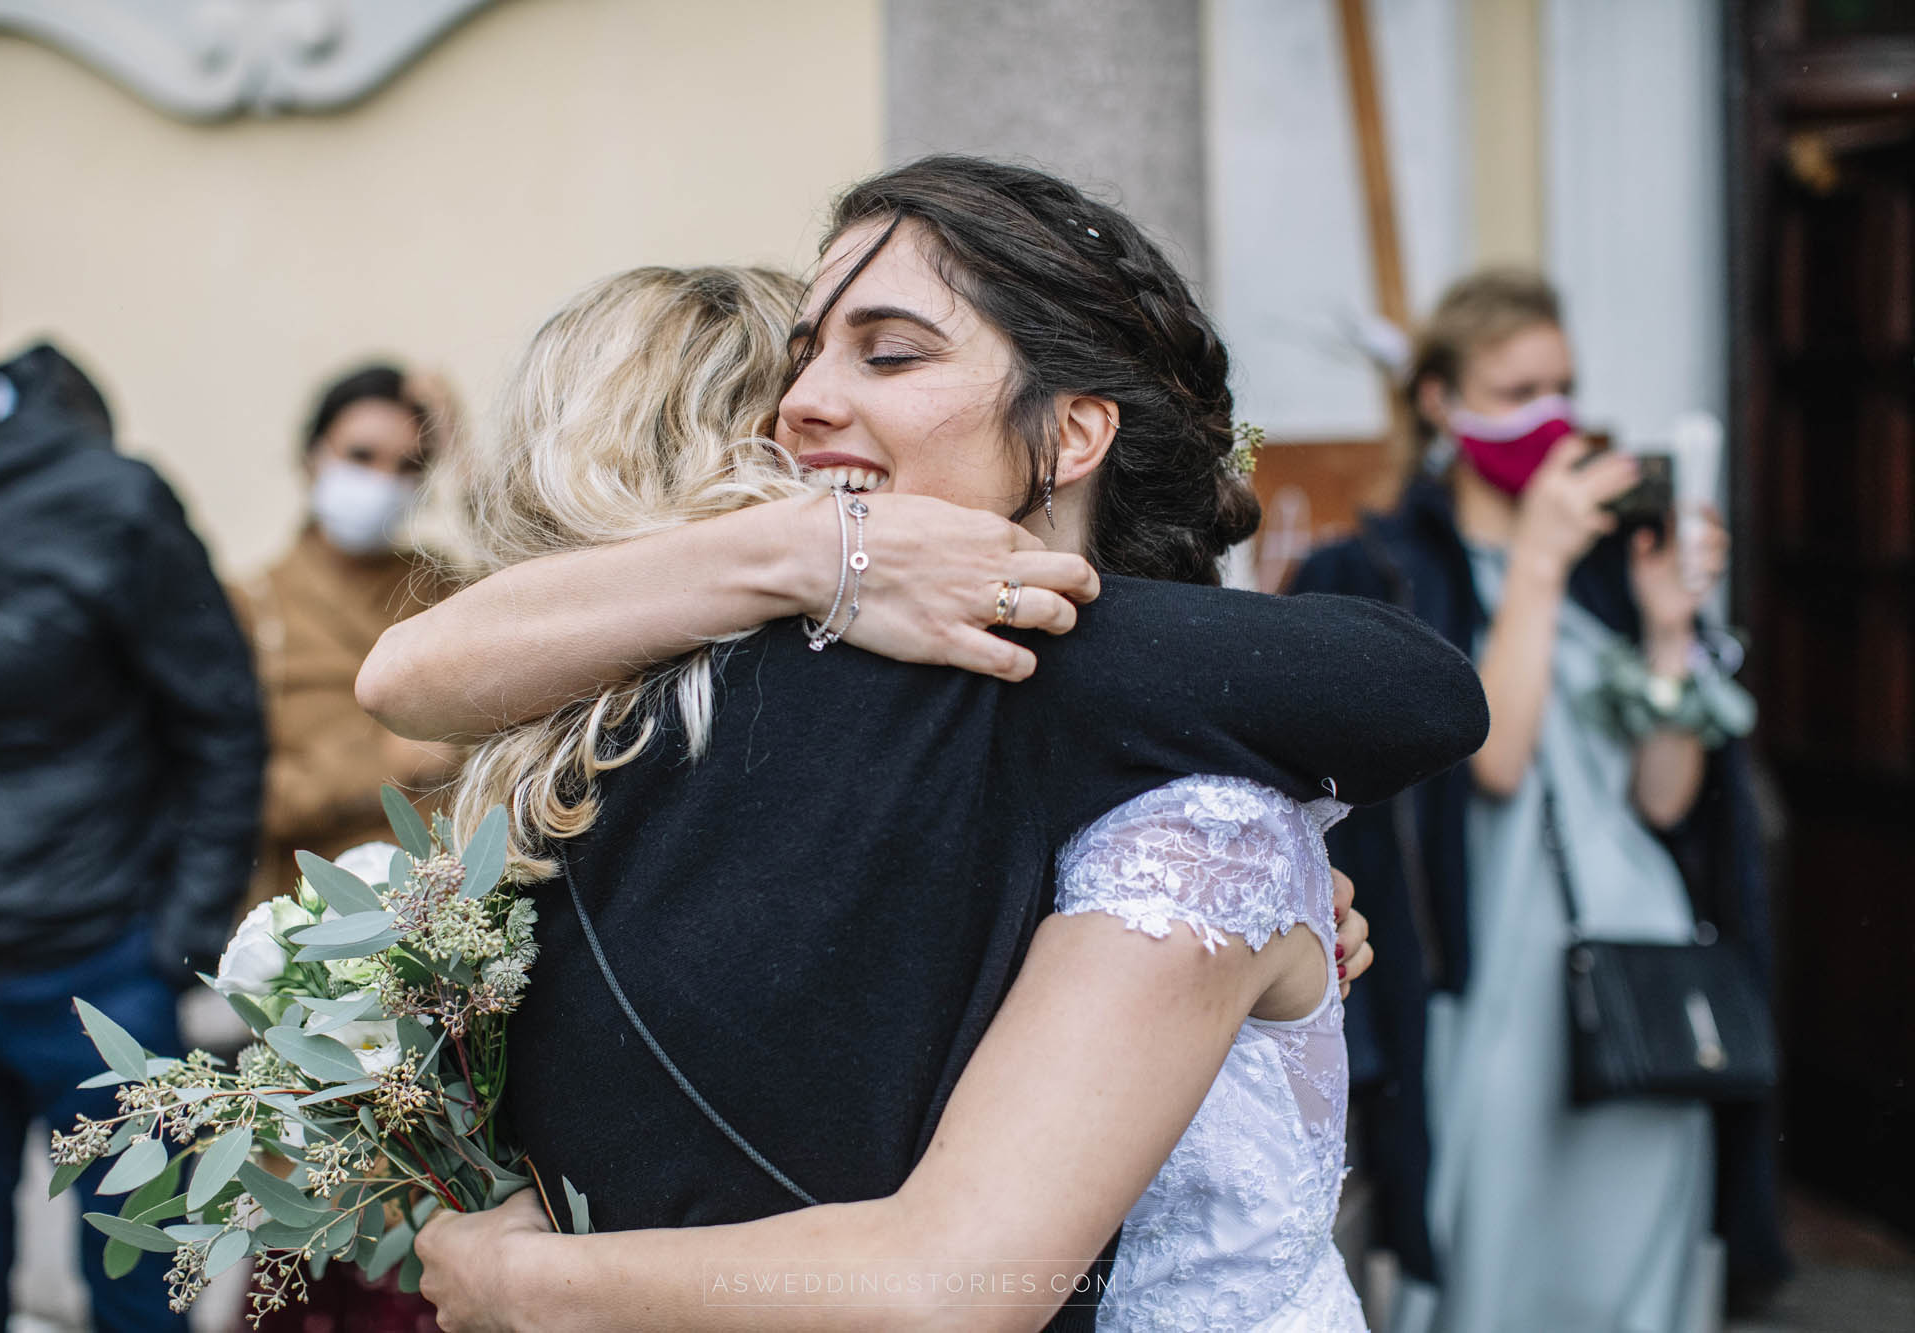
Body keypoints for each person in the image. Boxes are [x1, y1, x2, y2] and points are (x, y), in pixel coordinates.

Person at [371, 159, 1485, 1330]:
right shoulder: (788, 699)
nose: (796, 402)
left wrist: (525, 1284)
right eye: (802, 354)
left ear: (1071, 432)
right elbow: (405, 676)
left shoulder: (1142, 773)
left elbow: (1415, 686)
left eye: (889, 353)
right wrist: (819, 549)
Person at [1288, 268, 1785, 1331]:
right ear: (1438, 400)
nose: (1547, 418)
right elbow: (1493, 760)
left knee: (1637, 1266)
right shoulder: (1377, 569)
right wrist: (1540, 562)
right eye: (1513, 391)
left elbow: (1665, 800)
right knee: (1493, 1262)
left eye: (1561, 388)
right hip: (1489, 983)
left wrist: (1662, 629)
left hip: (1637, 962)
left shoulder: (1616, 567)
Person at [0, 211, 263, 1331]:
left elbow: (221, 721)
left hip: (100, 969)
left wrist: (177, 943)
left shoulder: (108, 500)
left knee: (140, 1300)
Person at [230, 362, 461, 912]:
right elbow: (237, 797)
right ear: (312, 456)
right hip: (318, 928)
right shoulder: (252, 608)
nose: (383, 480)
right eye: (361, 456)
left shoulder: (447, 588)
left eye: (409, 465)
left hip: (463, 911)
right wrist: (382, 760)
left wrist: (466, 463)